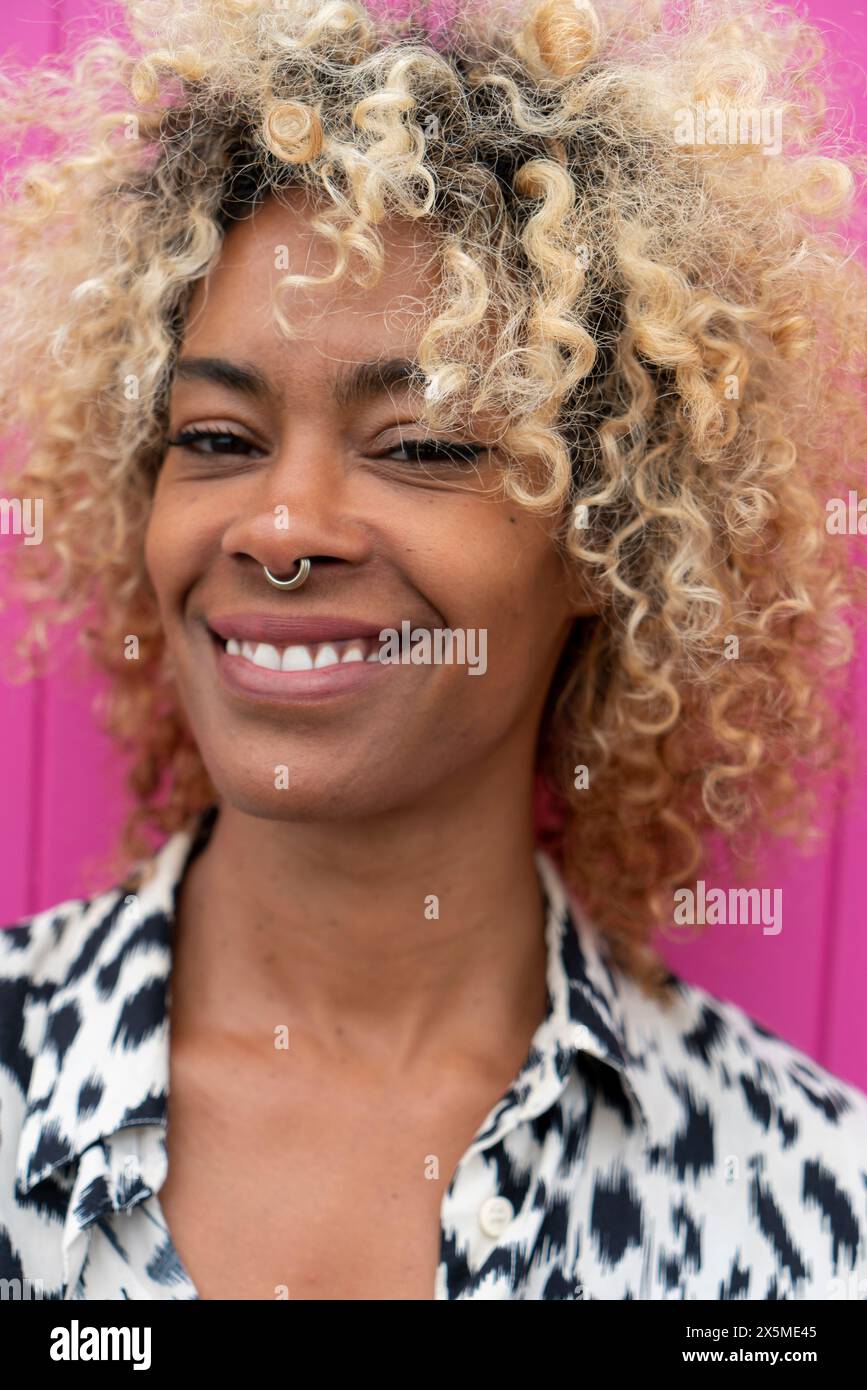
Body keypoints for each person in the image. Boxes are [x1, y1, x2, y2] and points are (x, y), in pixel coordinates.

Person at [1, 0, 866, 1301]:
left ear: (602, 535)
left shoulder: (807, 1213)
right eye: (219, 438)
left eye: (420, 445)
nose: (282, 529)